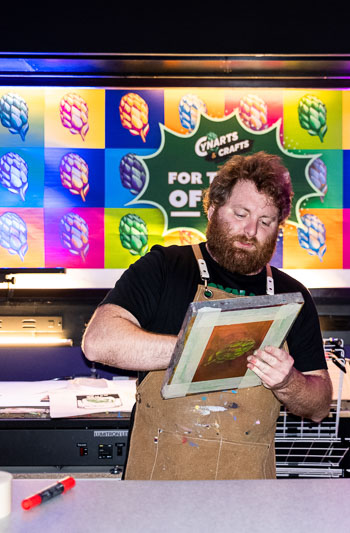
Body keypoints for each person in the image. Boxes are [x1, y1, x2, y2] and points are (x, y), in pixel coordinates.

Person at [82, 151, 331, 480]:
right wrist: (206, 347)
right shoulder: (164, 269)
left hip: (248, 493)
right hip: (158, 488)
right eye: (240, 213)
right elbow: (98, 343)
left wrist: (288, 382)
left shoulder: (292, 296)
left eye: (266, 221)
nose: (250, 230)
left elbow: (319, 405)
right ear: (212, 208)